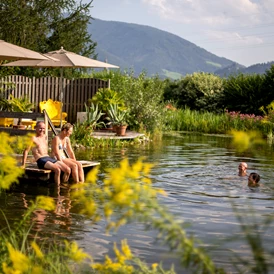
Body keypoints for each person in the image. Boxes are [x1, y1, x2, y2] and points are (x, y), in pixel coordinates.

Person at [22, 121, 71, 186]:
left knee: (68, 170)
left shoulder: (45, 136)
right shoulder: (33, 138)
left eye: (43, 128)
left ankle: (63, 185)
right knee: (57, 170)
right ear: (35, 128)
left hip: (48, 158)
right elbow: (26, 151)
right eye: (40, 128)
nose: (42, 130)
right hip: (41, 159)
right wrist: (23, 164)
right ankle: (58, 189)